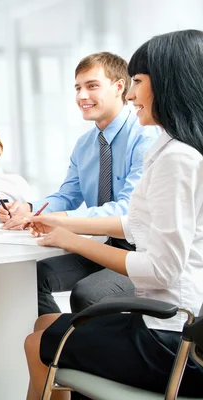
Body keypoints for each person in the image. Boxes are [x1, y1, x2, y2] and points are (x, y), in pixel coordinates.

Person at [23, 30, 203, 400]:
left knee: (35, 344)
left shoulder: (176, 158)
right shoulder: (169, 149)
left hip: (172, 336)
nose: (132, 94)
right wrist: (60, 221)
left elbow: (161, 269)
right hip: (167, 321)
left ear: (168, 82)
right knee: (43, 323)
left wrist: (70, 239)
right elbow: (133, 223)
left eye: (137, 82)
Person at [0, 52, 159, 315]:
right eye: (77, 88)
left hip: (142, 251)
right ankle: (58, 344)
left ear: (120, 87)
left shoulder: (146, 138)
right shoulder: (85, 145)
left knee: (88, 294)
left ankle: (78, 348)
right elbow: (68, 195)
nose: (82, 96)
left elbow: (127, 211)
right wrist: (28, 209)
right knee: (31, 278)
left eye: (92, 86)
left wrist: (61, 220)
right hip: (104, 243)